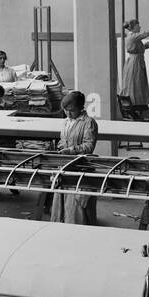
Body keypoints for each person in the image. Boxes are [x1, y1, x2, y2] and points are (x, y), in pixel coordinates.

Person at [48, 90, 98, 224]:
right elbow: (62, 140)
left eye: (72, 110)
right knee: (60, 206)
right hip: (64, 167)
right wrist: (60, 148)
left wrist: (71, 150)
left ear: (81, 108)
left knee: (76, 209)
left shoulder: (89, 123)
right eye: (65, 110)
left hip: (80, 169)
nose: (68, 114)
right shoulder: (65, 122)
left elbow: (88, 146)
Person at [120, 16, 149, 109]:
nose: (140, 27)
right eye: (138, 26)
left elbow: (137, 48)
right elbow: (148, 32)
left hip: (133, 61)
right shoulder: (133, 36)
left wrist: (147, 45)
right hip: (136, 62)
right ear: (134, 26)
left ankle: (136, 102)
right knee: (137, 82)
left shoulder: (131, 36)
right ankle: (137, 103)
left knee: (135, 82)